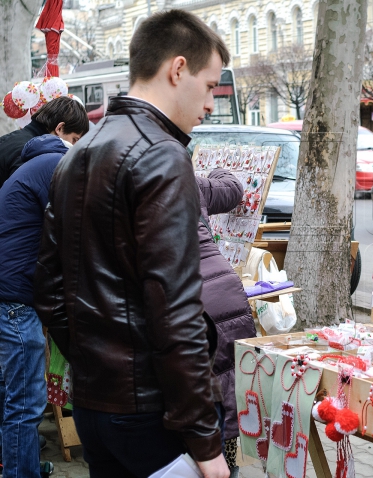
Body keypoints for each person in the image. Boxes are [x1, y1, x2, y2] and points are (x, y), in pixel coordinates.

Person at [33, 9, 231, 478]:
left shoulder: (78, 152)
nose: (210, 104)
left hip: (97, 407)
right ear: (177, 69)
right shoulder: (163, 156)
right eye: (209, 86)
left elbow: (48, 288)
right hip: (151, 414)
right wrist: (207, 445)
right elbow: (176, 311)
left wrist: (94, 362)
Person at [0, 99, 89, 478]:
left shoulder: (30, 163)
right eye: (75, 139)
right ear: (61, 133)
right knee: (25, 402)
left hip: (8, 290)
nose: (78, 149)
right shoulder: (55, 164)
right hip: (16, 297)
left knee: (12, 396)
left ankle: (21, 466)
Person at [195, 169, 256, 476]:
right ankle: (223, 460)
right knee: (224, 382)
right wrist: (216, 171)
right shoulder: (185, 178)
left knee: (206, 387)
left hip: (192, 302)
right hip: (220, 294)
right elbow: (232, 187)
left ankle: (215, 460)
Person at [0, 96, 87, 188]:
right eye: (74, 139)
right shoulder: (32, 153)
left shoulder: (9, 139)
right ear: (60, 128)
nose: (73, 147)